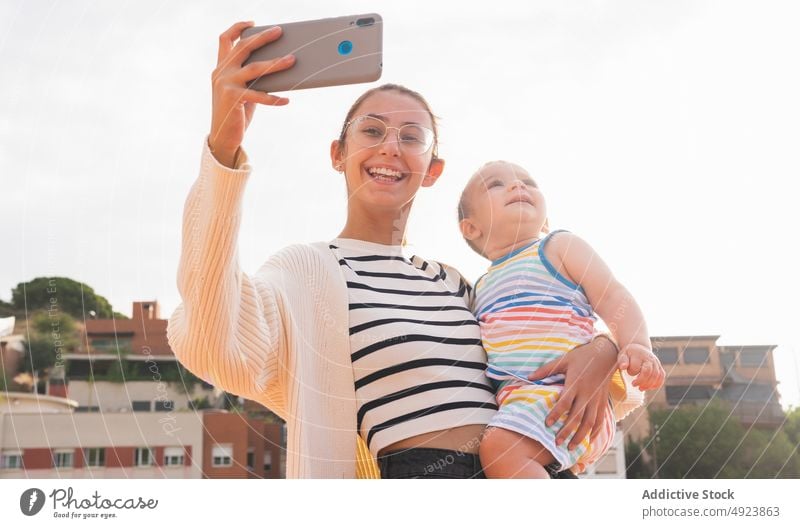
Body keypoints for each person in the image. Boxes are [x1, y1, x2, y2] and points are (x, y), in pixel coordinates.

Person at [167, 21, 634, 478]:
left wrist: (603, 350)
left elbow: (541, 340)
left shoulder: (454, 282)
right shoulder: (308, 271)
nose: (391, 146)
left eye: (411, 138)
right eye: (372, 131)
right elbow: (215, 336)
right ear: (337, 153)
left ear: (431, 169)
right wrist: (224, 148)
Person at [457, 160, 666, 478]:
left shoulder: (558, 246)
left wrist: (636, 343)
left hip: (566, 396)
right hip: (520, 401)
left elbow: (613, 297)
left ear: (545, 220)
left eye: (528, 181)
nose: (518, 185)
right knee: (498, 451)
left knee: (500, 449)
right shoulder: (479, 288)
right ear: (471, 228)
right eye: (497, 184)